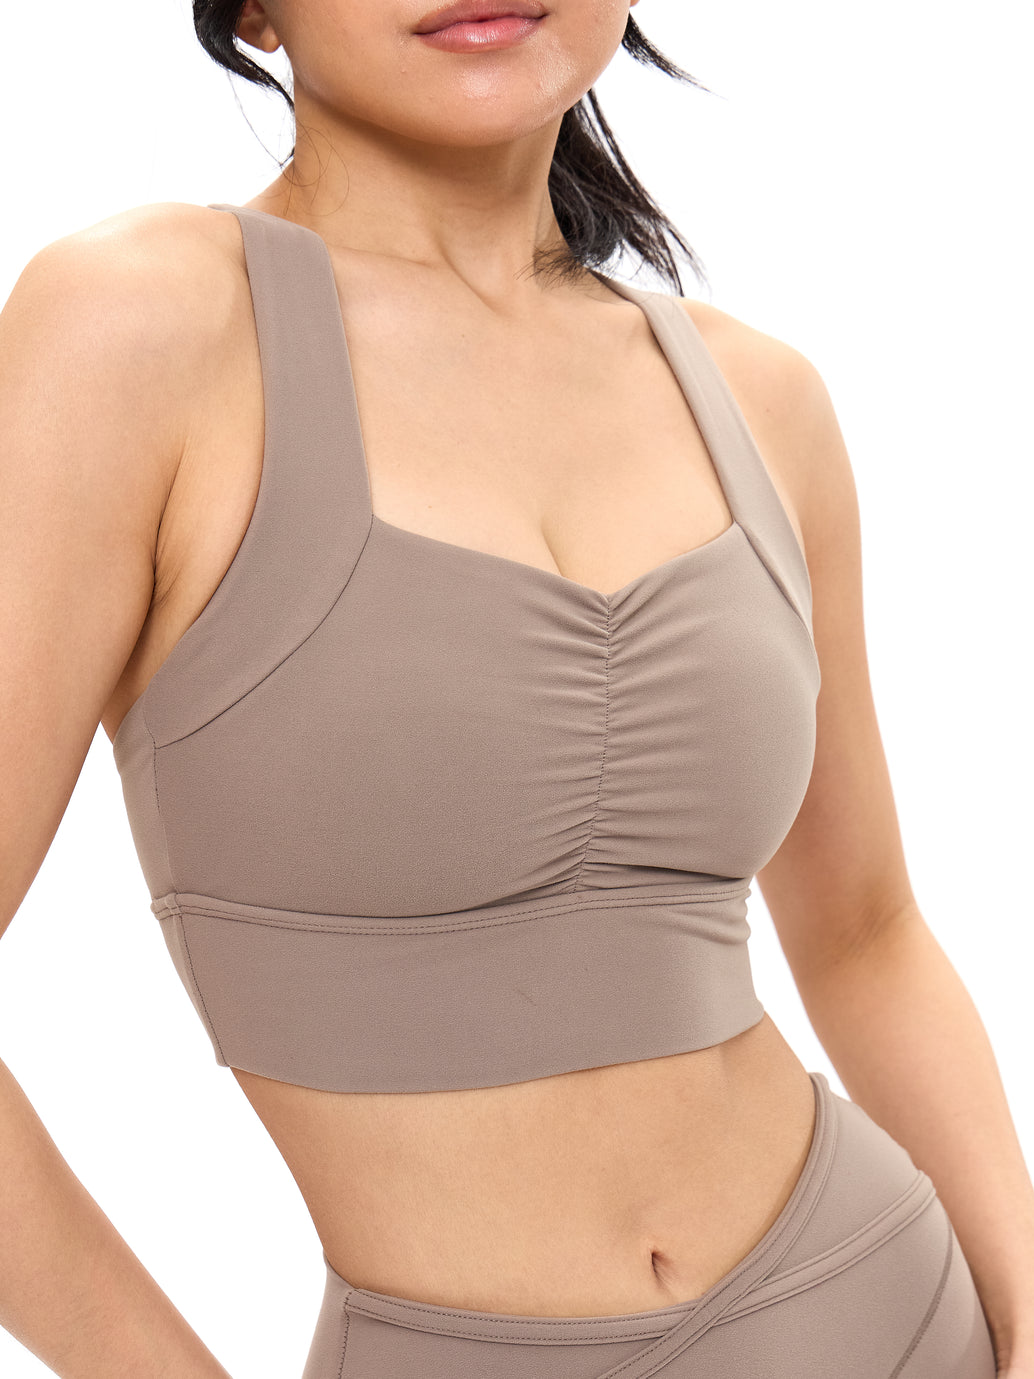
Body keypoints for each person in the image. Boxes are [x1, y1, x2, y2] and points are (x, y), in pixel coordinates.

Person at [1, 0, 1031, 1375]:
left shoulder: (759, 397)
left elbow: (864, 932)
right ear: (252, 9)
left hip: (891, 1316)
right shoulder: (139, 325)